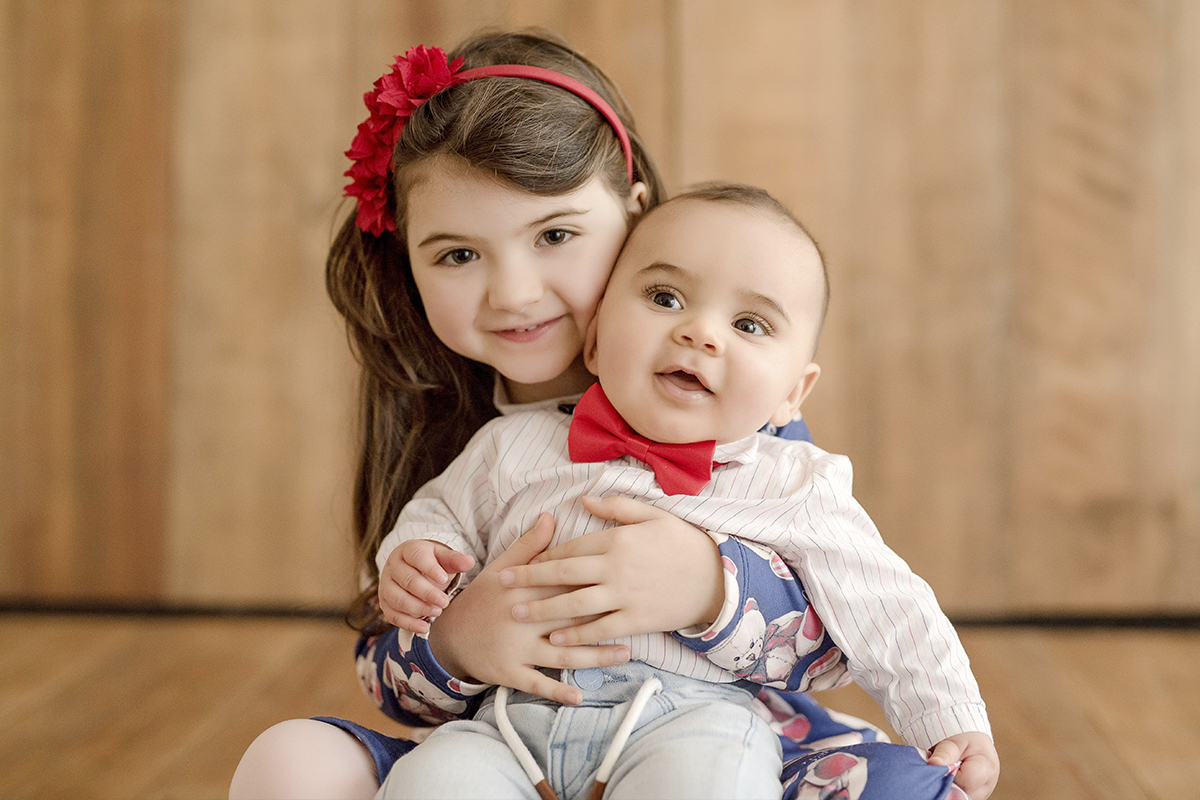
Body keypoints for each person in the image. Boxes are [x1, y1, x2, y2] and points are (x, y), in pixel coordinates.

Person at [229, 30, 986, 800]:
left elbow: (849, 632)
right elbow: (389, 679)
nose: (513, 293)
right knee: (293, 764)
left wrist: (708, 588)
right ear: (410, 264)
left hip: (713, 742)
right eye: (458, 254)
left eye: (555, 235)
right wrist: (453, 642)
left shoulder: (741, 425)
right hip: (507, 748)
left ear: (634, 213)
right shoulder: (462, 437)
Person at [372, 185, 1000, 800]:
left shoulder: (793, 482)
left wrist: (950, 720)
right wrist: (420, 552)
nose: (701, 332)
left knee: (705, 782)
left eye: (749, 324)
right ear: (595, 340)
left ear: (792, 393)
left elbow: (886, 604)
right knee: (436, 778)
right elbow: (439, 511)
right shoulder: (512, 445)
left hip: (691, 718)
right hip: (511, 720)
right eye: (665, 297)